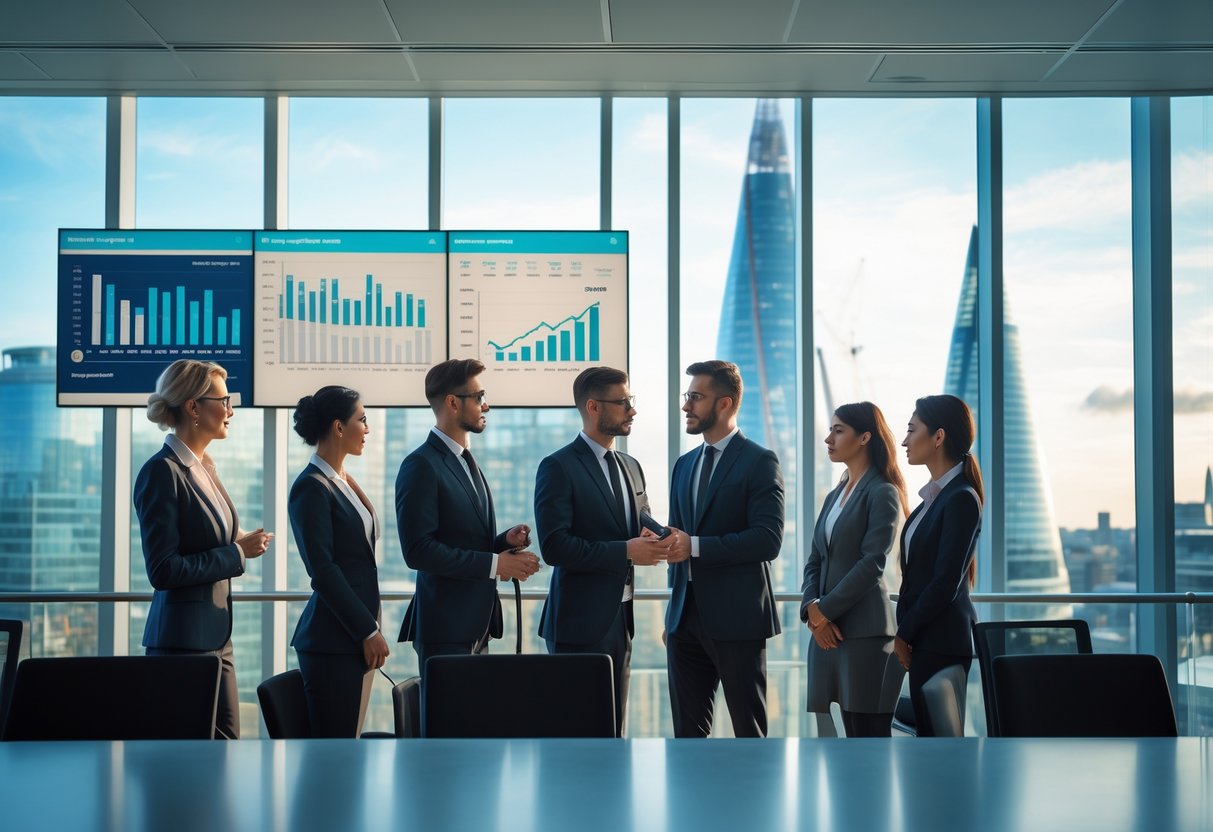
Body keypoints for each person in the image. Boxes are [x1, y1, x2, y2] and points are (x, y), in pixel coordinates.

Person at [133, 359, 272, 739]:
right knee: (185, 767)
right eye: (223, 400)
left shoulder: (203, 468)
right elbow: (163, 570)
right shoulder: (162, 472)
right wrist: (237, 554)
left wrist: (239, 541)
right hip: (181, 646)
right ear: (194, 407)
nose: (230, 411)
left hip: (216, 640)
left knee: (226, 750)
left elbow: (206, 535)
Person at [534, 367, 670, 736]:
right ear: (593, 407)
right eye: (622, 402)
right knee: (574, 735)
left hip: (620, 617)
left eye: (631, 401)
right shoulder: (558, 467)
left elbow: (639, 519)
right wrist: (625, 551)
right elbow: (555, 546)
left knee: (613, 731)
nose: (632, 410)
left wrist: (662, 535)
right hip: (577, 624)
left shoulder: (631, 466)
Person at [396, 359, 539, 678]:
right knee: (448, 726)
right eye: (479, 396)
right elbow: (418, 550)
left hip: (476, 625)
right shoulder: (420, 465)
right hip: (446, 628)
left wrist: (504, 541)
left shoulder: (466, 460)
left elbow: (463, 538)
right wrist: (496, 565)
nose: (486, 405)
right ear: (452, 402)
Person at [664, 360, 785, 738]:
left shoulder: (759, 461)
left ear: (725, 404)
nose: (686, 406)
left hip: (737, 620)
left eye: (695, 397)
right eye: (687, 396)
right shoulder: (684, 465)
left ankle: (754, 799)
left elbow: (768, 538)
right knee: (687, 736)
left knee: (748, 734)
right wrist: (673, 611)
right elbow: (679, 539)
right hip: (684, 621)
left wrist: (695, 546)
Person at [288, 386, 391, 737]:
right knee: (335, 756)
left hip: (352, 640)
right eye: (361, 419)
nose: (368, 428)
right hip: (332, 643)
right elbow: (323, 570)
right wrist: (367, 629)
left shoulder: (342, 480)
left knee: (348, 748)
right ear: (338, 427)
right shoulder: (311, 487)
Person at [801, 401, 909, 737]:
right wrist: (811, 611)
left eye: (838, 430)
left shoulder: (882, 492)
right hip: (827, 634)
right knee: (831, 736)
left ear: (864, 438)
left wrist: (824, 611)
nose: (828, 438)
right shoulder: (835, 495)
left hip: (864, 634)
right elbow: (815, 560)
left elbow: (872, 564)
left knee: (867, 738)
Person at [894, 394, 984, 736]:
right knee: (928, 748)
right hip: (926, 640)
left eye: (912, 430)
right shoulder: (936, 498)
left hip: (940, 642)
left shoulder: (961, 498)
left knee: (937, 751)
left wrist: (904, 633)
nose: (904, 440)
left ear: (938, 437)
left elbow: (944, 581)